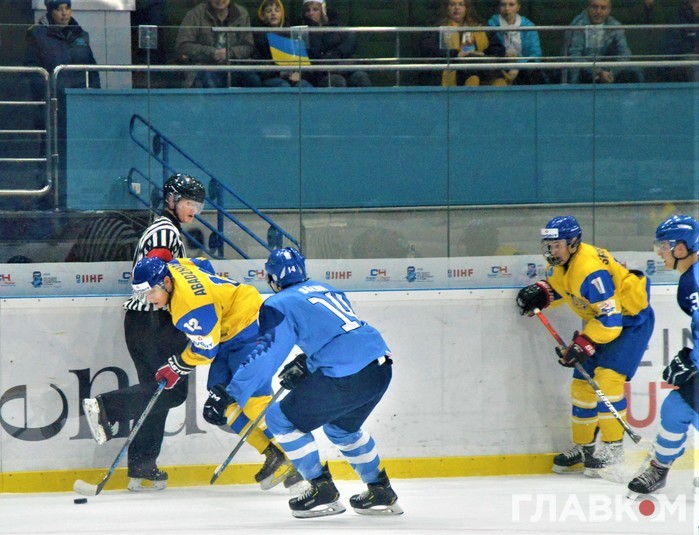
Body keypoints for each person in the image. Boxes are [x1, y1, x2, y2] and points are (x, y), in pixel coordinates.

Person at [227, 247, 403, 518]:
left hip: (347, 374)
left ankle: (322, 490)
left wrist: (231, 392)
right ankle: (380, 490)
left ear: (272, 278)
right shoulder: (326, 288)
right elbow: (339, 333)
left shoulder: (278, 303)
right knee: (341, 430)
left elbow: (266, 355)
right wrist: (309, 363)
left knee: (278, 418)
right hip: (380, 367)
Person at [114, 253, 300, 490]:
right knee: (221, 398)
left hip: (249, 323)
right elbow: (201, 262)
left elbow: (206, 351)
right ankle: (273, 454)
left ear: (166, 282)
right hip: (228, 330)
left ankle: (298, 459)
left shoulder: (189, 308)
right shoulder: (174, 266)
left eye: (152, 292)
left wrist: (178, 365)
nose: (149, 299)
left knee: (254, 399)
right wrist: (215, 299)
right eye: (144, 294)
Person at [81, 174, 205, 491]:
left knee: (157, 390)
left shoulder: (165, 228)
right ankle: (106, 407)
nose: (193, 209)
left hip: (148, 322)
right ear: (171, 200)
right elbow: (155, 279)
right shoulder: (165, 232)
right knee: (170, 390)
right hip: (153, 321)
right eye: (188, 202)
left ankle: (142, 464)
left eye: (197, 204)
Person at [516, 215, 655, 477]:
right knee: (581, 385)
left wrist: (584, 343)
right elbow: (568, 290)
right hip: (601, 321)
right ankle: (584, 448)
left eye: (557, 245)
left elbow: (612, 321)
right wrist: (544, 293)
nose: (551, 251)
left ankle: (613, 450)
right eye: (549, 245)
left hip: (630, 321)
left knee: (608, 380)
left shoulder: (591, 271)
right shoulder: (560, 265)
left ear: (573, 243)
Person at [627, 215, 699, 496]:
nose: (660, 252)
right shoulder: (689, 280)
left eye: (665, 246)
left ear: (681, 248)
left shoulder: (693, 282)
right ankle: (659, 469)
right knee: (675, 409)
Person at [175, 0, 260, 88]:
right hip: (204, 66)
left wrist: (229, 53)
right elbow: (183, 46)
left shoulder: (242, 13)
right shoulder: (195, 14)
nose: (220, 0)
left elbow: (249, 46)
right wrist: (213, 53)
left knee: (254, 80)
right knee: (210, 82)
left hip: (234, 66)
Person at [420, 0, 506, 87]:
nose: (457, 8)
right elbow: (429, 50)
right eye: (452, 4)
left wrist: (482, 54)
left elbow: (498, 49)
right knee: (470, 69)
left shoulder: (480, 26)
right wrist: (456, 54)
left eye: (461, 4)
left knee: (493, 73)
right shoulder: (437, 28)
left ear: (467, 8)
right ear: (446, 8)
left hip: (480, 63)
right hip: (454, 67)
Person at [24, 0, 101, 96]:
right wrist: (45, 94)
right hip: (54, 97)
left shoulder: (80, 34)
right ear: (50, 12)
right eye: (58, 9)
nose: (64, 13)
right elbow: (33, 70)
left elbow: (92, 67)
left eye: (67, 8)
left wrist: (94, 93)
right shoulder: (37, 34)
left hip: (80, 96)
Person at [564, 0, 643, 84]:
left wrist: (611, 73)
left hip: (608, 70)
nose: (598, 11)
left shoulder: (615, 25)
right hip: (585, 70)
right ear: (588, 8)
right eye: (594, 7)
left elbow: (625, 53)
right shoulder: (578, 25)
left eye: (603, 8)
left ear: (609, 10)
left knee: (635, 71)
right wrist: (598, 72)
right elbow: (575, 55)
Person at [299, 0, 371, 87]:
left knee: (361, 77)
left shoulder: (340, 28)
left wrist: (337, 58)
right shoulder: (302, 32)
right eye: (307, 10)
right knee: (337, 80)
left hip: (344, 68)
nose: (311, 13)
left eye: (315, 9)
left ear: (323, 10)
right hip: (321, 74)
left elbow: (348, 47)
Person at [252, 0, 312, 87]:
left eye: (277, 10)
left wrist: (298, 74)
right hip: (271, 77)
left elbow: (302, 60)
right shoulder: (258, 35)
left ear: (282, 14)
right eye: (269, 11)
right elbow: (260, 65)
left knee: (304, 85)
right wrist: (281, 73)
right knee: (283, 85)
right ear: (263, 15)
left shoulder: (293, 33)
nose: (273, 13)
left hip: (294, 76)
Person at [486, 0, 548, 85]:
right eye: (503, 5)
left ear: (518, 7)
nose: (507, 9)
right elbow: (490, 52)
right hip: (500, 67)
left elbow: (535, 54)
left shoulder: (528, 26)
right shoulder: (491, 25)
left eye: (511, 5)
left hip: (524, 68)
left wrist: (518, 66)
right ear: (499, 7)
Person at [658, 0, 699, 82]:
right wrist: (693, 48)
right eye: (695, 2)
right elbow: (670, 47)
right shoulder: (677, 20)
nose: (698, 5)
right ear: (688, 3)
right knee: (694, 63)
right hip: (682, 60)